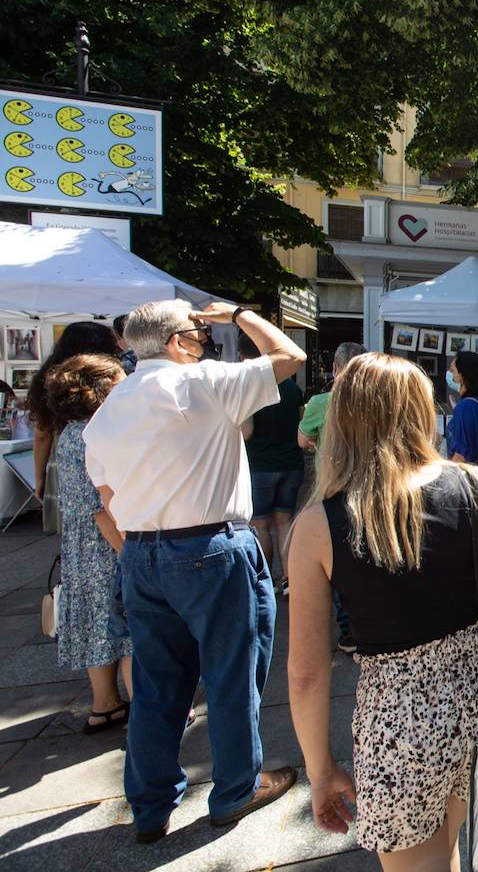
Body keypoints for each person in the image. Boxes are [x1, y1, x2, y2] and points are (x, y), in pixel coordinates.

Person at [287, 353, 478, 872]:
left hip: (398, 721)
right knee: (449, 843)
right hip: (476, 698)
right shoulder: (472, 484)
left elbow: (306, 672)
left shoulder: (319, 525)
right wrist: (474, 607)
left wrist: (319, 769)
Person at [83, 299, 306, 844]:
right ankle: (235, 787)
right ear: (178, 342)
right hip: (209, 545)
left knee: (158, 685)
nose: (204, 338)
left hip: (142, 551)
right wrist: (236, 313)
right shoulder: (203, 382)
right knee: (233, 673)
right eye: (197, 332)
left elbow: (107, 497)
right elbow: (289, 353)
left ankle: (151, 805)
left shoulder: (110, 408)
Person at [41, 354, 134, 732]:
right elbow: (100, 508)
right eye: (118, 380)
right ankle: (148, 708)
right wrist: (128, 554)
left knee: (98, 626)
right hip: (106, 546)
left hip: (84, 549)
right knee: (128, 630)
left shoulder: (70, 432)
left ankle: (105, 704)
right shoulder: (92, 433)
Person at [296, 341, 366, 649]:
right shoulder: (374, 399)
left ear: (335, 369)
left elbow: (302, 440)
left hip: (332, 486)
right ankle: (364, 623)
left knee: (336, 559)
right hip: (369, 485)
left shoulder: (320, 402)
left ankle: (348, 628)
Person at [24, 321, 122, 504]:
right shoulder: (109, 375)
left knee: (74, 516)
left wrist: (39, 477)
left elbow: (42, 434)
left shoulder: (48, 378)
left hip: (64, 454)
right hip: (106, 454)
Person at [238, 331, 305, 585]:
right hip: (291, 463)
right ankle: (289, 579)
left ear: (244, 356)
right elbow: (301, 425)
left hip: (260, 466)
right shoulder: (292, 387)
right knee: (284, 522)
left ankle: (265, 580)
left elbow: (247, 432)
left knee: (261, 525)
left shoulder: (248, 387)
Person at [445, 350, 478, 476]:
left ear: (463, 376)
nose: (450, 375)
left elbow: (461, 455)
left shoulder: (466, 406)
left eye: (453, 371)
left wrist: (445, 478)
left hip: (468, 480)